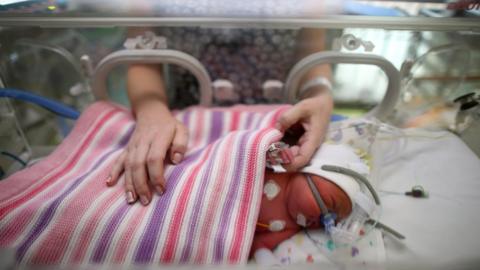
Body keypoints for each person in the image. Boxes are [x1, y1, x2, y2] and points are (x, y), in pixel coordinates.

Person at [106, 28, 334, 206]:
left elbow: (313, 56)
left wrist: (320, 94)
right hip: (183, 126)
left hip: (277, 124)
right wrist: (152, 113)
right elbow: (143, 59)